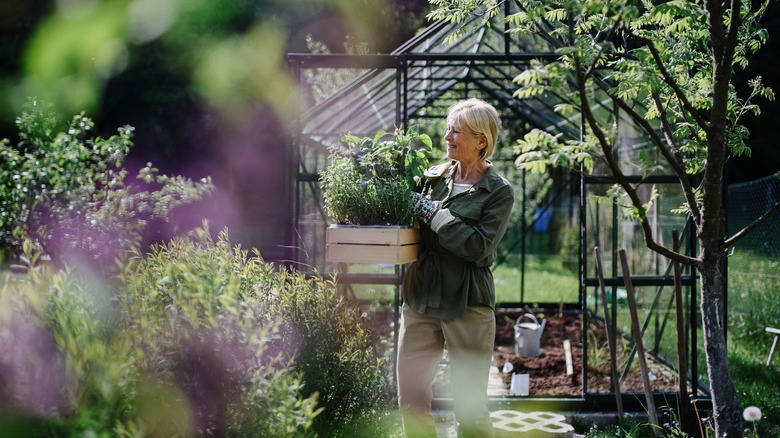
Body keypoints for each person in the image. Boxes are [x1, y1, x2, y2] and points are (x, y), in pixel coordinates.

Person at [398, 98, 515, 437]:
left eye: (456, 131)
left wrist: (436, 216)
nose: (447, 137)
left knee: (470, 406)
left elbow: (478, 247)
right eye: (447, 129)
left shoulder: (498, 192)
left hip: (467, 303)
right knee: (412, 396)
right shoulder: (431, 178)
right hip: (421, 298)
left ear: (482, 140)